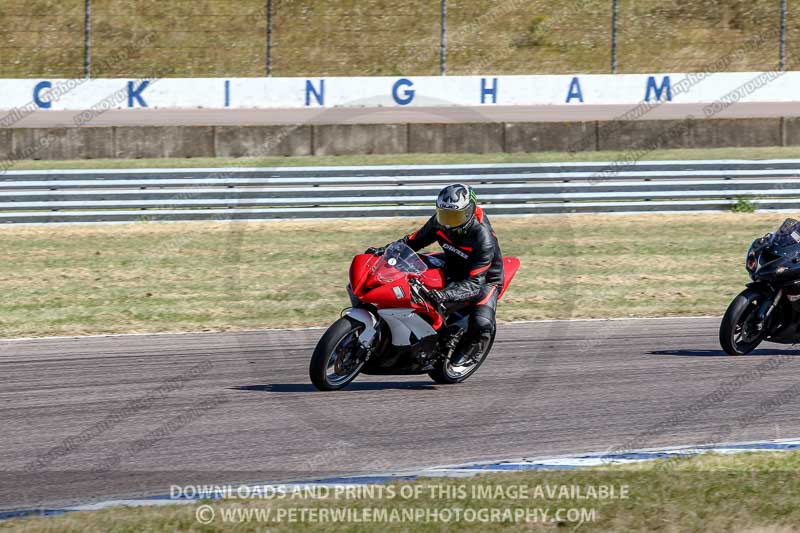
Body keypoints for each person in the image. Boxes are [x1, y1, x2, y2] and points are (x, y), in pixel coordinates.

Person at [366, 184, 504, 366]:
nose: (448, 223)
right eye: (445, 215)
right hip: (452, 263)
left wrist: (445, 294)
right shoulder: (440, 222)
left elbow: (475, 284)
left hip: (483, 279)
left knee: (481, 323)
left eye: (455, 217)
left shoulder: (483, 238)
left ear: (469, 212)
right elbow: (413, 241)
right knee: (410, 276)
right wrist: (385, 252)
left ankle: (472, 348)